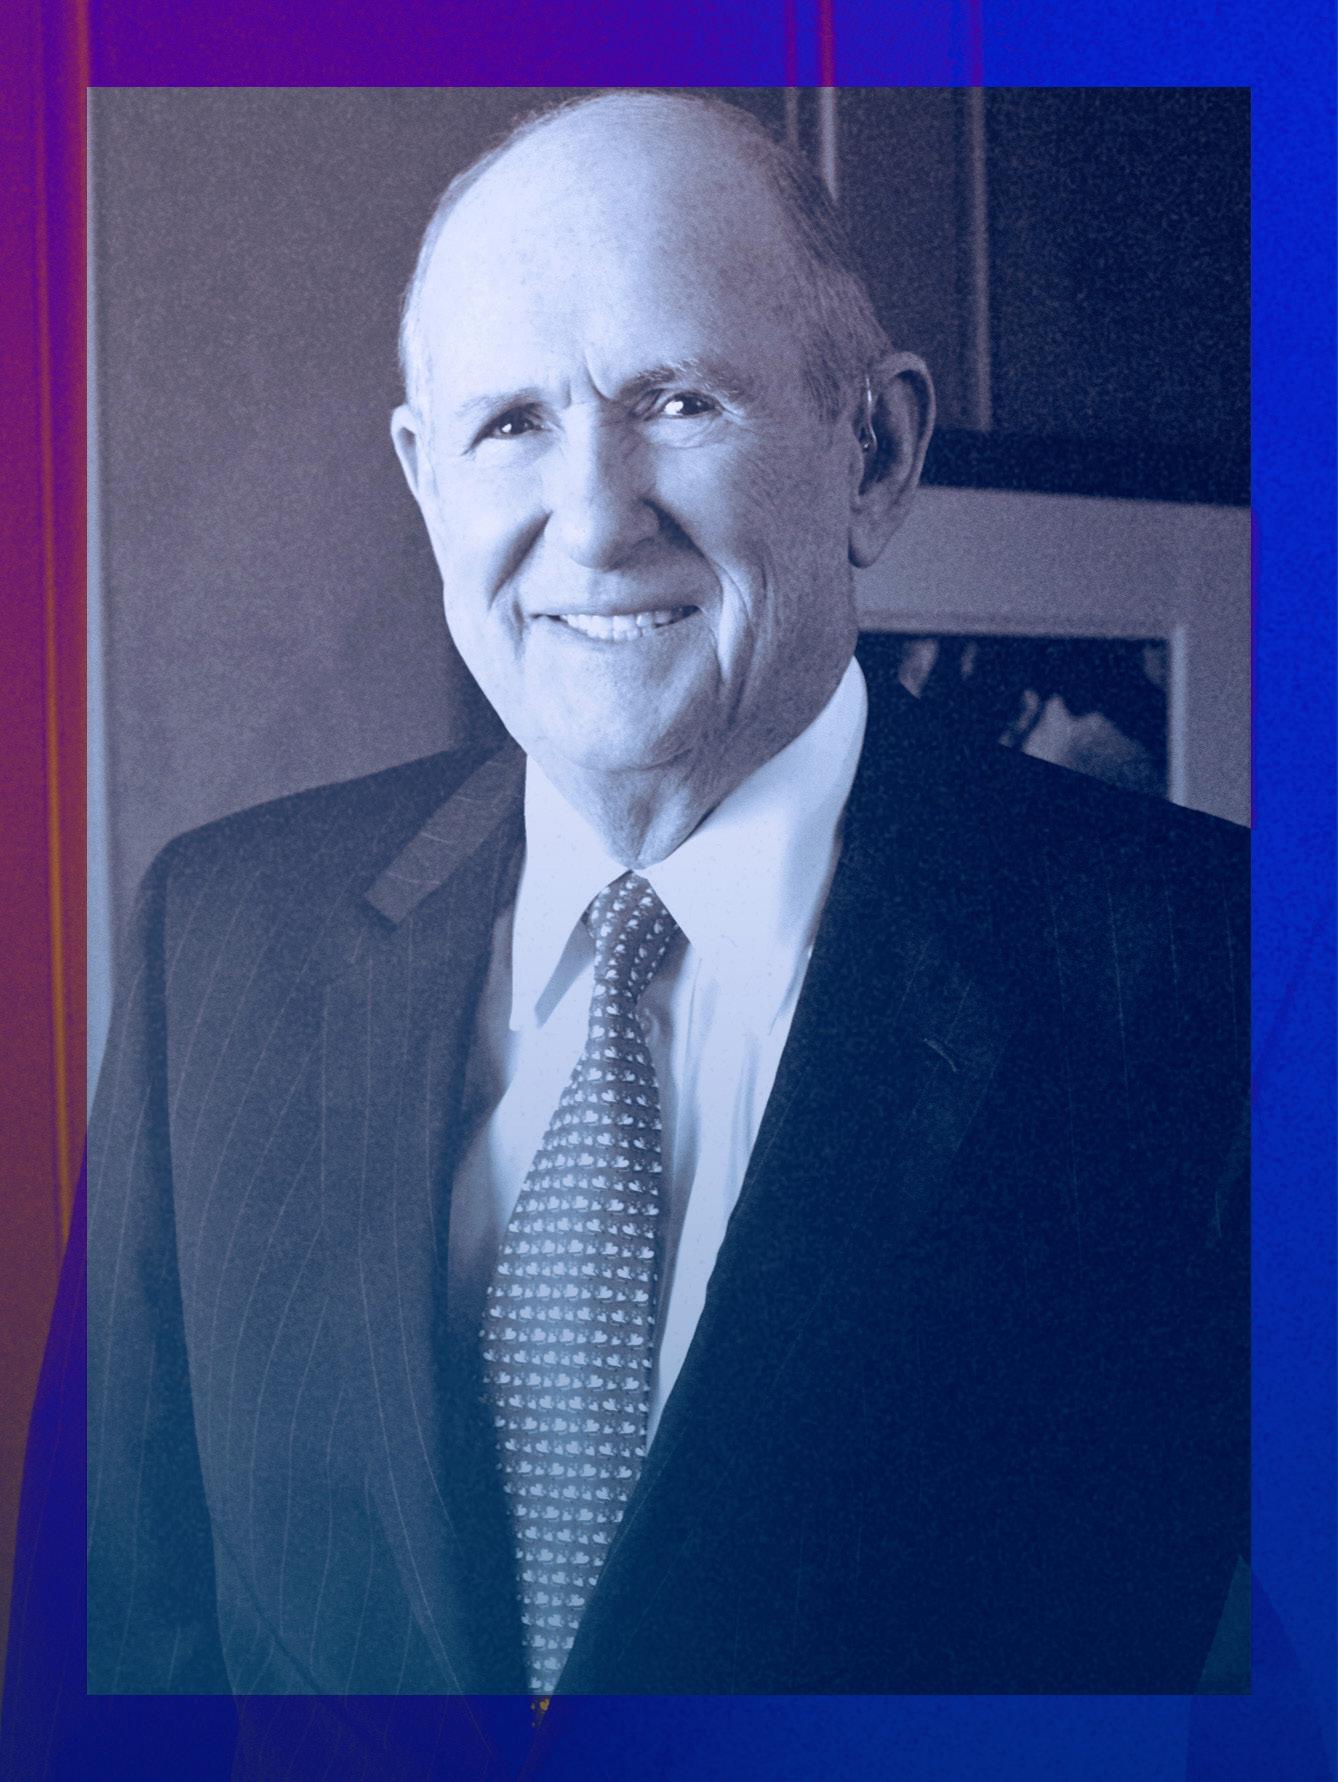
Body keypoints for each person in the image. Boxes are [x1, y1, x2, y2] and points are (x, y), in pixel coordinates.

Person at [84, 91, 1247, 1699]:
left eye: (679, 400)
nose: (592, 518)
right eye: (509, 425)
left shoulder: (1224, 973)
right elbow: (135, 1642)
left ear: (875, 453)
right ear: (425, 479)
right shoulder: (219, 935)